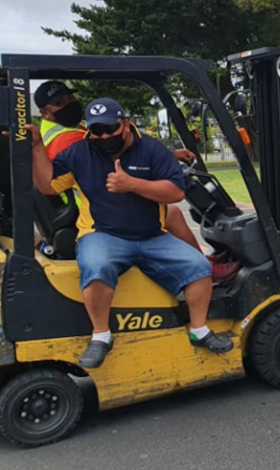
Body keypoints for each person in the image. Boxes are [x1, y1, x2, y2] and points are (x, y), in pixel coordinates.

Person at [27, 98, 233, 368]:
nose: (102, 136)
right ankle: (101, 336)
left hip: (152, 236)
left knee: (198, 267)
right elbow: (48, 185)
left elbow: (175, 191)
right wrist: (38, 148)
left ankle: (199, 330)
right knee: (96, 266)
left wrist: (132, 184)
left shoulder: (151, 150)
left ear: (123, 124)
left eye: (109, 129)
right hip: (102, 234)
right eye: (96, 131)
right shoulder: (80, 152)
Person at [33, 82, 238, 282]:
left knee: (165, 209)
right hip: (90, 209)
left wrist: (167, 155)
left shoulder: (63, 129)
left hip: (86, 201)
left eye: (70, 98)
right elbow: (108, 161)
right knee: (171, 213)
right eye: (61, 103)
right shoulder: (70, 139)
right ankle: (203, 270)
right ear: (45, 112)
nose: (70, 104)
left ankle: (199, 263)